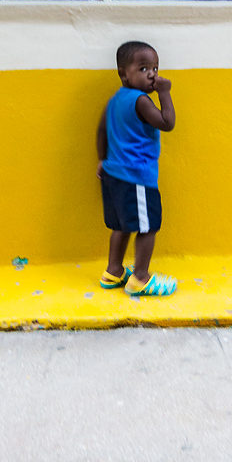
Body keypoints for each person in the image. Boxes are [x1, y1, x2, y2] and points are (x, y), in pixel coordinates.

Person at [96, 41, 177, 296]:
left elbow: (100, 131)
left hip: (112, 173)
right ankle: (140, 278)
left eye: (155, 68)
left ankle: (113, 272)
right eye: (143, 69)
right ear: (123, 74)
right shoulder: (141, 101)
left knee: (121, 226)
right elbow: (167, 122)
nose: (152, 74)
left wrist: (101, 159)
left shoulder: (114, 100)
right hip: (136, 177)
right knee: (148, 227)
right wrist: (165, 92)